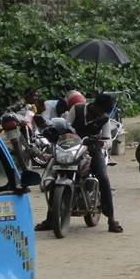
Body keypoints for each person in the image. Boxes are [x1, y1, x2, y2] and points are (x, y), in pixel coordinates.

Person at [40, 92, 123, 234]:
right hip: (70, 147)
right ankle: (50, 219)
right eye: (101, 110)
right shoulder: (77, 109)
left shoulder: (104, 119)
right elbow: (66, 125)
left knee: (103, 177)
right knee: (55, 175)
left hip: (92, 150)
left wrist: (101, 143)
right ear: (95, 105)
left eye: (104, 112)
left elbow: (108, 139)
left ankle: (111, 220)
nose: (101, 114)